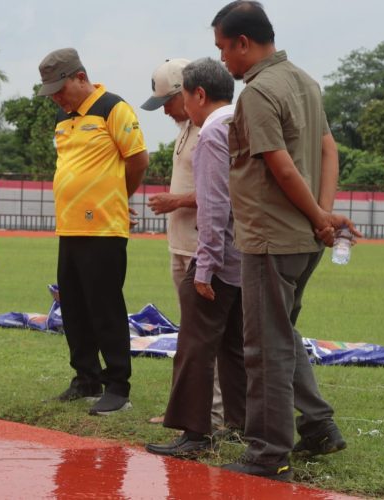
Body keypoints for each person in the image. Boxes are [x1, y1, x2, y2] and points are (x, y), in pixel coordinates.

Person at [211, 1, 361, 481]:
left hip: (272, 237)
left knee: (265, 347)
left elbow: (279, 163)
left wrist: (320, 215)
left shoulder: (257, 93)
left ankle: (268, 453)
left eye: (222, 50)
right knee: (284, 335)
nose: (222, 63)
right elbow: (327, 148)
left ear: (243, 44)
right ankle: (317, 426)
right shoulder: (304, 82)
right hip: (302, 238)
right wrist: (323, 214)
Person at [37, 48, 149, 415]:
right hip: (68, 228)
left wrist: (118, 196)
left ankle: (118, 385)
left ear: (81, 77)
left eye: (60, 87)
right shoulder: (62, 118)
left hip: (103, 229)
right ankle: (86, 377)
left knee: (105, 308)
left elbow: (137, 160)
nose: (55, 96)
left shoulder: (113, 108)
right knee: (74, 308)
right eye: (50, 90)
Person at [145, 57, 246, 458]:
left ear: (198, 94)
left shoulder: (211, 134)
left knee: (195, 345)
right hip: (244, 256)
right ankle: (238, 424)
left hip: (217, 257)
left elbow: (215, 206)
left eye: (184, 98)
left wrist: (204, 267)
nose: (183, 108)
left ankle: (194, 433)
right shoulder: (240, 123)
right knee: (234, 347)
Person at [141, 59, 225, 429]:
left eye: (167, 103)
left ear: (188, 94)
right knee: (189, 336)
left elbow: (221, 193)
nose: (165, 112)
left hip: (201, 249)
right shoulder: (185, 128)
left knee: (208, 338)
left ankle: (216, 414)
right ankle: (184, 409)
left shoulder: (211, 127)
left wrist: (176, 201)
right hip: (180, 244)